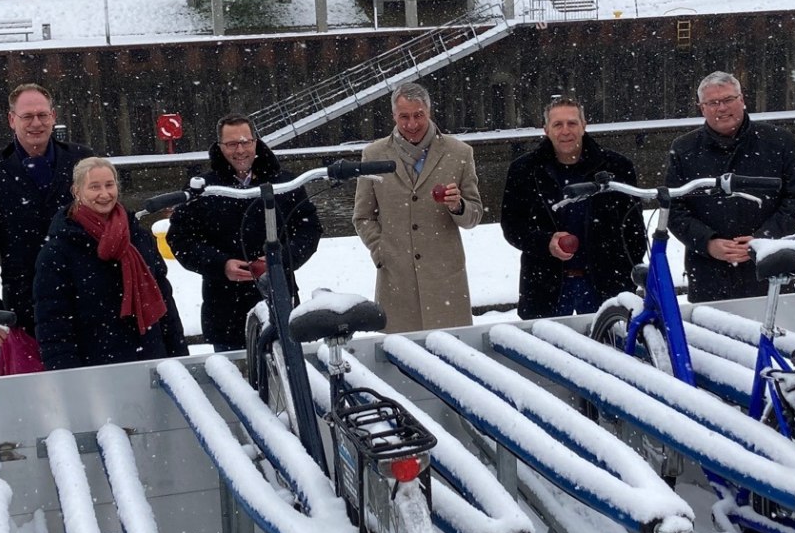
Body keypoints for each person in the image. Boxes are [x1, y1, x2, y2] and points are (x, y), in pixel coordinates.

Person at [0, 83, 97, 375]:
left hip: (84, 298)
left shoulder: (82, 160)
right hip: (24, 308)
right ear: (12, 119)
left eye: (42, 115)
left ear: (53, 116)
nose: (36, 123)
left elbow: (107, 221)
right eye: (27, 116)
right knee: (33, 399)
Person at [165, 113, 322, 352]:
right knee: (235, 381)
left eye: (245, 142)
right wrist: (221, 265)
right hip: (225, 310)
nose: (240, 150)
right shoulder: (202, 189)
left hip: (278, 299)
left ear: (255, 142)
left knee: (289, 378)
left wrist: (279, 261)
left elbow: (309, 229)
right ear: (220, 147)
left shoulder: (285, 183)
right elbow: (180, 240)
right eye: (231, 144)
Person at [665, 72, 795, 301]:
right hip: (708, 271)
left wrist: (763, 238)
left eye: (728, 99)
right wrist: (708, 242)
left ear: (742, 100)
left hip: (769, 263)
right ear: (702, 108)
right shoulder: (684, 149)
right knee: (712, 336)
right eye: (713, 103)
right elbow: (673, 208)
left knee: (776, 331)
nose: (721, 108)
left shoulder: (778, 141)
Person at [352, 83, 484, 332]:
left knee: (451, 360)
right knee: (398, 360)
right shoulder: (374, 155)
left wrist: (458, 207)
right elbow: (363, 217)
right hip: (396, 281)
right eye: (404, 116)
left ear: (429, 111)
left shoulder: (460, 154)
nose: (412, 124)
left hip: (445, 281)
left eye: (418, 115)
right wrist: (381, 251)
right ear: (393, 116)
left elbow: (474, 215)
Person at [34, 157, 188, 370]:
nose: (104, 194)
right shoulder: (59, 251)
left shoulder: (139, 238)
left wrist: (180, 357)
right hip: (95, 370)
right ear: (76, 191)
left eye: (109, 185)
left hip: (152, 360)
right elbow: (53, 325)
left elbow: (165, 302)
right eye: (94, 187)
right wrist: (66, 377)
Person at [498, 97, 645, 319]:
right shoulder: (524, 170)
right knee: (548, 351)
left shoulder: (617, 167)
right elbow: (513, 227)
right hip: (546, 283)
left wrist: (623, 270)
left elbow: (633, 229)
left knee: (611, 348)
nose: (565, 131)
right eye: (558, 125)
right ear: (546, 129)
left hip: (604, 282)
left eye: (572, 123)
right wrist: (546, 243)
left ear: (584, 126)